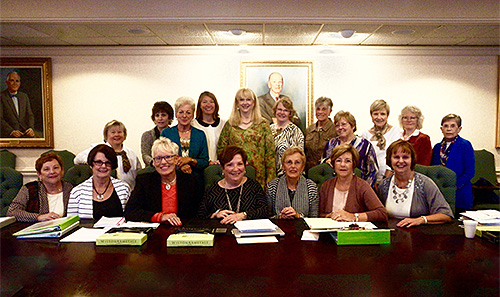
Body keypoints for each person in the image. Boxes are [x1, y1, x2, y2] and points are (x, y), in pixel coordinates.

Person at [125, 137, 202, 225]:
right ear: (153, 162)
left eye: (168, 157)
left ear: (176, 159)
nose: (163, 162)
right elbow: (130, 212)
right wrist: (160, 217)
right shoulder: (144, 181)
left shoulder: (190, 181)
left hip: (183, 231)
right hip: (154, 232)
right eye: (158, 158)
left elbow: (199, 212)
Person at [380, 140, 454, 227]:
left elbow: (446, 215)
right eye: (396, 157)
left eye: (405, 157)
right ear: (389, 159)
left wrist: (421, 220)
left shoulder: (425, 184)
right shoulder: (384, 185)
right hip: (391, 234)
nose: (400, 161)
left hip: (420, 235)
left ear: (412, 159)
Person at [217, 88, 276, 188]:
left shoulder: (263, 124)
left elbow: (270, 155)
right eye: (241, 100)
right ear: (237, 103)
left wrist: (270, 181)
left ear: (254, 102)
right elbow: (221, 151)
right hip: (234, 176)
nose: (245, 103)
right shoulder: (230, 125)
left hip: (259, 176)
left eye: (248, 99)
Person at [198, 145, 270, 224]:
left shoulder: (254, 186)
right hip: (221, 234)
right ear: (222, 168)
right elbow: (200, 217)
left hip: (248, 234)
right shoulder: (212, 190)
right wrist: (214, 215)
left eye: (239, 164)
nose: (235, 169)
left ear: (245, 166)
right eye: (230, 165)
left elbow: (265, 211)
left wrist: (243, 215)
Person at [319, 144, 387, 222]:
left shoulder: (362, 186)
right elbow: (320, 215)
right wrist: (329, 216)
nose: (342, 165)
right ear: (333, 164)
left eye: (347, 161)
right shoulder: (326, 186)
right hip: (330, 232)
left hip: (354, 232)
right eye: (338, 161)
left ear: (353, 164)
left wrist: (354, 217)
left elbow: (382, 213)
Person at [68, 144, 130, 220]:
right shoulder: (77, 193)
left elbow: (129, 218)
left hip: (118, 231)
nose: (103, 166)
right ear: (91, 164)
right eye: (98, 162)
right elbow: (72, 224)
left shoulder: (124, 188)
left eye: (108, 163)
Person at [74, 120, 141, 190]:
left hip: (128, 192)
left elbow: (138, 173)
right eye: (113, 132)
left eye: (119, 132)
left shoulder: (131, 153)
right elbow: (77, 159)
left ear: (124, 135)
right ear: (106, 135)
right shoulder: (98, 149)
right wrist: (95, 161)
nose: (116, 135)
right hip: (106, 191)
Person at [7, 152, 73, 222]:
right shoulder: (29, 189)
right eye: (46, 169)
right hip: (34, 229)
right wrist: (38, 217)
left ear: (62, 170)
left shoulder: (70, 189)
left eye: (56, 168)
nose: (52, 172)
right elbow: (12, 212)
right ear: (39, 174)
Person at [431, 114, 475, 215]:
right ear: (441, 129)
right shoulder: (437, 147)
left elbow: (469, 172)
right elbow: (433, 169)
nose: (449, 129)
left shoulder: (465, 145)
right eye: (446, 126)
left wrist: (454, 186)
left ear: (459, 129)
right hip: (441, 192)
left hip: (459, 192)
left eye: (452, 126)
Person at [322, 111, 378, 187]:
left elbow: (373, 171)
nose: (340, 127)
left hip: (358, 187)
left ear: (353, 126)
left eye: (344, 124)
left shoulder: (365, 145)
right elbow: (321, 163)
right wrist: (326, 161)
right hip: (335, 186)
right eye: (337, 125)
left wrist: (364, 190)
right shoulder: (331, 144)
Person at [161, 96, 209, 181]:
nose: (184, 115)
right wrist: (181, 165)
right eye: (181, 112)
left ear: (193, 115)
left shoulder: (200, 135)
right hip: (171, 177)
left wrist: (190, 160)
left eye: (188, 112)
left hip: (195, 178)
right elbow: (162, 157)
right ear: (176, 114)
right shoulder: (166, 133)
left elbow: (204, 161)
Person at [266, 147, 318, 219]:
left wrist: (298, 216)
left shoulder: (311, 187)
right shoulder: (272, 186)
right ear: (283, 166)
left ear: (302, 167)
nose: (293, 166)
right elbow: (267, 218)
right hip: (278, 228)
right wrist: (280, 217)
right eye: (289, 162)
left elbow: (314, 219)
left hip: (304, 229)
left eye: (297, 162)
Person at [362, 99, 400, 183]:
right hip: (370, 178)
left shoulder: (395, 131)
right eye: (375, 114)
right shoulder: (365, 134)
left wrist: (386, 177)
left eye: (382, 114)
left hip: (391, 176)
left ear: (387, 115)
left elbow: (396, 153)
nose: (379, 117)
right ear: (371, 115)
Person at [270, 98, 304, 176]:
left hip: (288, 176)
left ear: (290, 113)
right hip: (270, 175)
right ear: (275, 111)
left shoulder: (296, 132)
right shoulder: (269, 129)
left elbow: (300, 158)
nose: (282, 112)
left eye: (285, 110)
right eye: (279, 109)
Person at [191, 91, 226, 165]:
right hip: (200, 167)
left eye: (211, 101)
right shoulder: (193, 125)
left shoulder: (224, 124)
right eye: (205, 102)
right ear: (199, 105)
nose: (208, 104)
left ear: (215, 105)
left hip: (221, 166)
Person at [304, 97, 337, 172]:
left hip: (326, 173)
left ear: (330, 111)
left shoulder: (335, 130)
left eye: (324, 109)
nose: (320, 112)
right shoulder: (309, 130)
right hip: (309, 172)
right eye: (318, 109)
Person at [0, 71, 35, 138]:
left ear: (20, 83)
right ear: (7, 83)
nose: (15, 83)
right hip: (8, 134)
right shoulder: (1, 96)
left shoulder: (24, 96)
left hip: (25, 133)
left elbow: (30, 115)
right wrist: (11, 131)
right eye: (12, 80)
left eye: (17, 81)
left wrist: (30, 128)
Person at [141, 101, 174, 166]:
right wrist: (156, 163)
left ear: (169, 118)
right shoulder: (147, 135)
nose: (160, 118)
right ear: (153, 118)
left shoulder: (174, 134)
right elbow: (145, 155)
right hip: (152, 169)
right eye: (157, 115)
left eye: (163, 115)